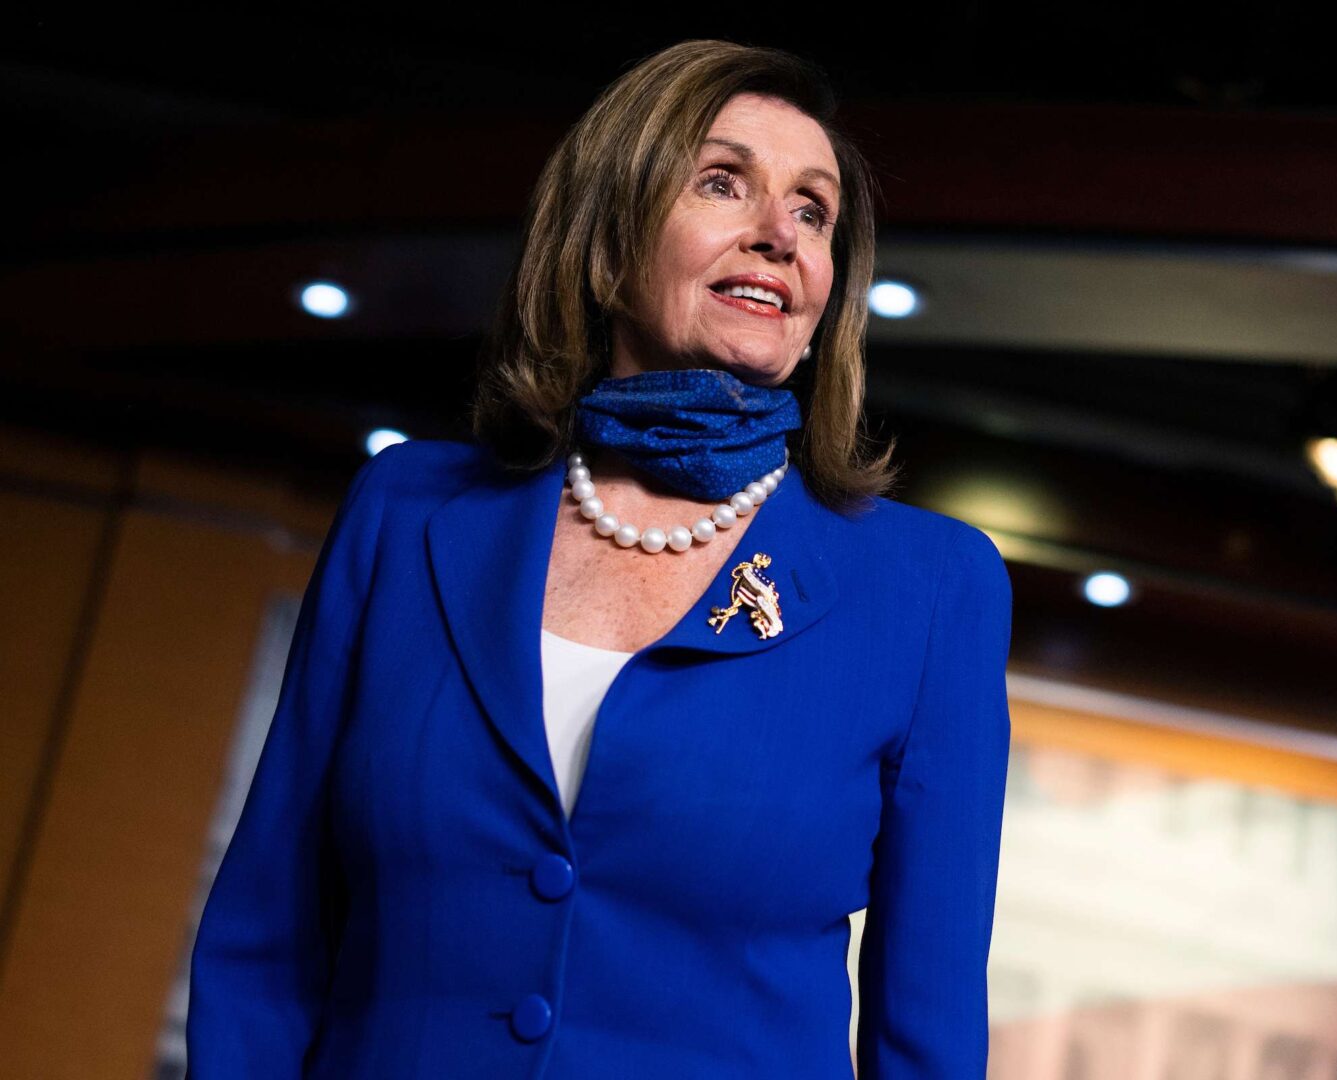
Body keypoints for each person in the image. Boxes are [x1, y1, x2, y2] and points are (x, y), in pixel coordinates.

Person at [186, 39, 1012, 1079]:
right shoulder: (404, 514)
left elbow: (925, 1038)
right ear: (608, 238)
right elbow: (267, 938)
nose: (778, 235)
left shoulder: (933, 591)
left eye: (814, 212)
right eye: (723, 183)